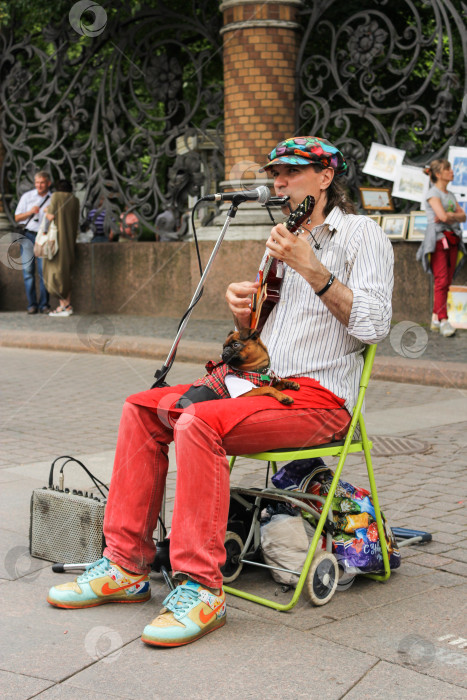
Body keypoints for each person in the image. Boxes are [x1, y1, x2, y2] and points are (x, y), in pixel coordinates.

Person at [47, 136, 394, 648]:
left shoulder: (364, 236)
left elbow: (374, 325)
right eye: (274, 173)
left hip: (322, 400)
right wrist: (243, 313)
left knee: (199, 422)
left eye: (290, 173)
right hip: (260, 385)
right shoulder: (281, 238)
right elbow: (259, 340)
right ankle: (125, 565)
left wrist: (311, 266)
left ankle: (201, 588)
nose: (277, 182)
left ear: (325, 178)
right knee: (142, 409)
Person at [416, 159, 466, 337]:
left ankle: (436, 318)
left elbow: (462, 216)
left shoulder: (450, 195)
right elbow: (443, 217)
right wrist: (452, 216)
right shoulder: (433, 193)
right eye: (448, 169)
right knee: (442, 279)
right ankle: (443, 319)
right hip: (438, 240)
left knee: (447, 280)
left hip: (452, 239)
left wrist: (451, 215)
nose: (452, 172)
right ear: (438, 174)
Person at [14, 171, 52, 314]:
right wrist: (30, 212)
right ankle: (32, 304)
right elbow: (17, 217)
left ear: (48, 183)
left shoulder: (52, 198)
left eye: (42, 182)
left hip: (44, 236)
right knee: (28, 271)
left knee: (44, 272)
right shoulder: (27, 197)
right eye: (37, 183)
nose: (39, 185)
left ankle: (44, 304)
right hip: (28, 235)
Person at [43, 179, 80, 317]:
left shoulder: (56, 196)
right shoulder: (75, 200)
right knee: (66, 271)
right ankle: (66, 305)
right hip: (70, 240)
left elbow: (51, 216)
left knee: (55, 272)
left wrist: (46, 211)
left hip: (56, 240)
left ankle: (64, 306)